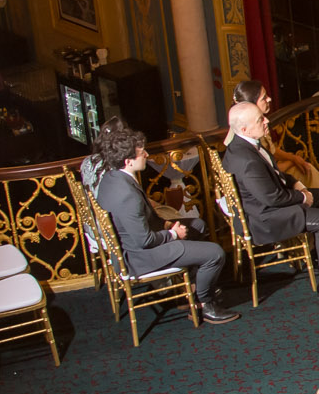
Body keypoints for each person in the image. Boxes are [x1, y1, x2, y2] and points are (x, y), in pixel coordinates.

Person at [91, 118, 237, 324]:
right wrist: (173, 234)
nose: (146, 155)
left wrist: (166, 225)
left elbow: (141, 220)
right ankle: (206, 304)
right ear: (128, 161)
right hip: (139, 257)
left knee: (198, 225)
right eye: (141, 153)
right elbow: (144, 240)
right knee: (215, 253)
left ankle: (193, 287)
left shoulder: (111, 178)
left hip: (136, 244)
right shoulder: (126, 195)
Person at [219, 101, 319, 296]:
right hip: (264, 219)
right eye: (260, 120)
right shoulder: (247, 160)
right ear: (244, 129)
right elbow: (272, 198)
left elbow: (274, 174)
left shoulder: (243, 144)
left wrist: (297, 184)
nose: (266, 121)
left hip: (263, 208)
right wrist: (302, 197)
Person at [232, 79, 319, 232]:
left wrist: (293, 158)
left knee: (309, 173)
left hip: (273, 177)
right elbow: (266, 171)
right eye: (264, 98)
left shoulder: (256, 125)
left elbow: (271, 151)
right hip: (268, 191)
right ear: (252, 105)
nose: (269, 99)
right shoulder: (250, 132)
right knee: (308, 171)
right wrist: (293, 165)